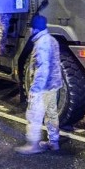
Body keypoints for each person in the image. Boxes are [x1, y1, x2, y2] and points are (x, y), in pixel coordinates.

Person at [15, 14, 63, 155]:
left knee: (34, 115)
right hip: (54, 85)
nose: (30, 31)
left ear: (35, 29)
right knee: (51, 114)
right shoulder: (52, 40)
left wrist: (35, 89)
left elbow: (43, 68)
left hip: (43, 88)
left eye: (31, 28)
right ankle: (54, 142)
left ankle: (33, 145)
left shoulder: (42, 43)